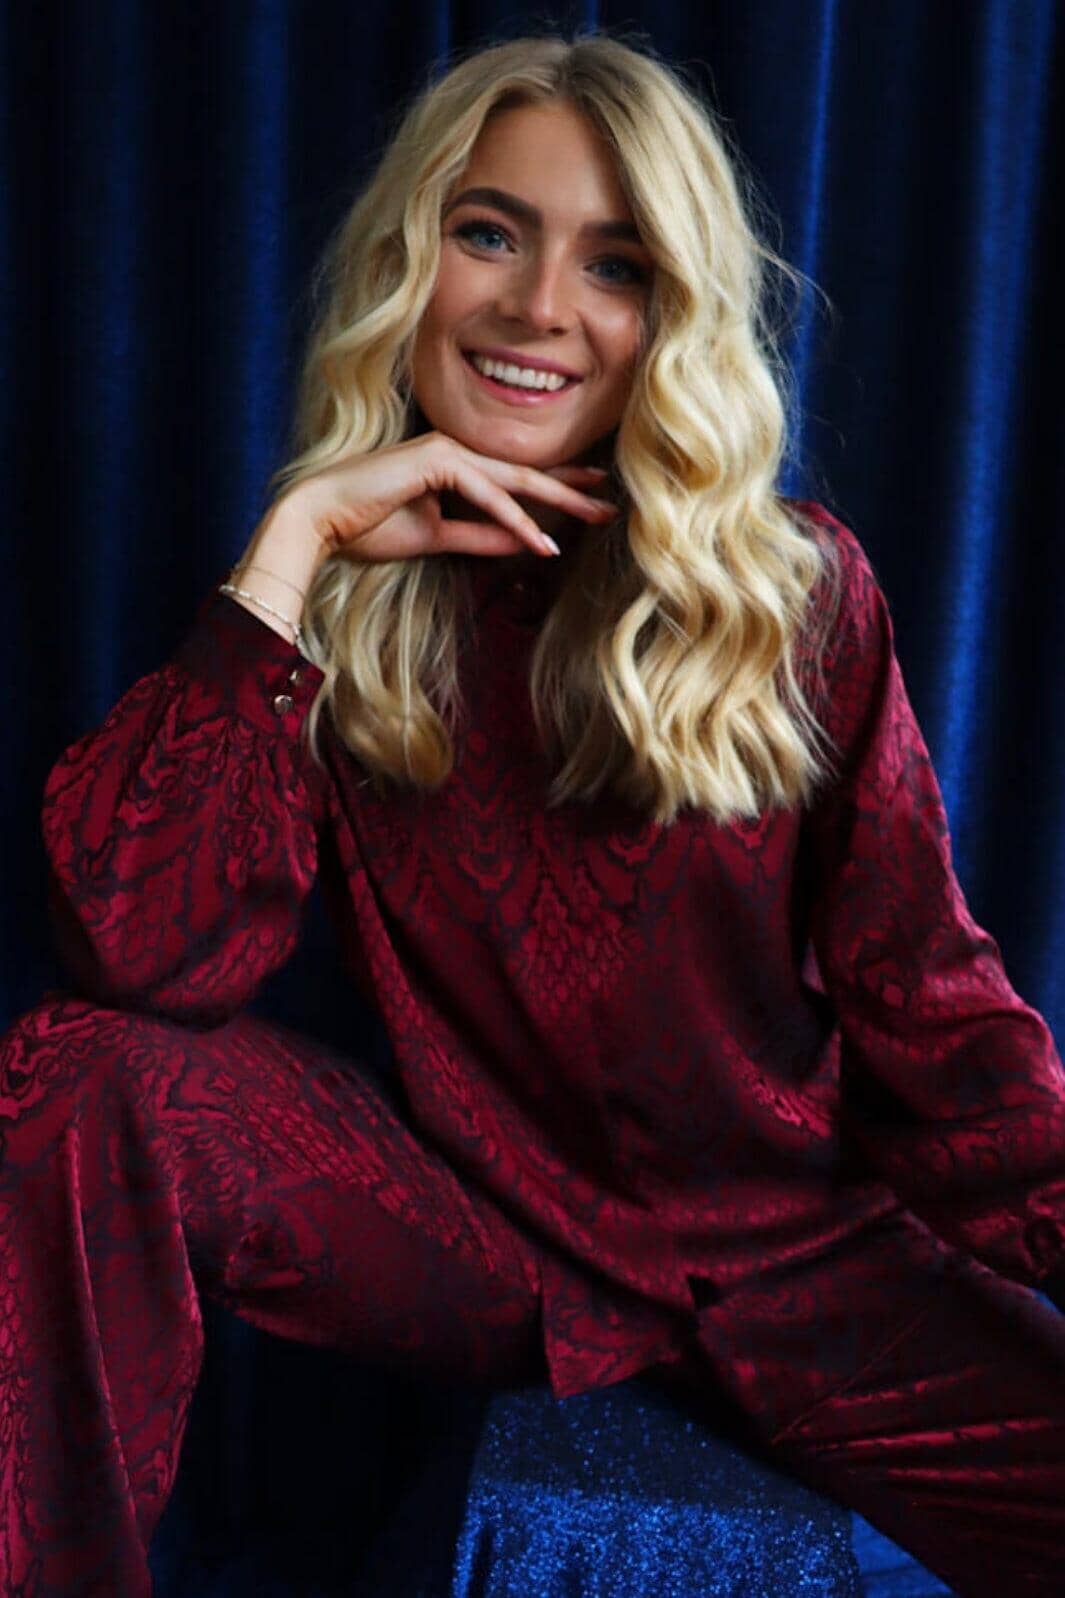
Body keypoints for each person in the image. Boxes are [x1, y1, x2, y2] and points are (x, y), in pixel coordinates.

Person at [2, 28, 1064, 1598]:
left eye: (614, 264)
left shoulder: (796, 598)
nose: (537, 306)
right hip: (480, 1241)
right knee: (80, 1073)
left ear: (670, 316)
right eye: (489, 232)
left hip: (805, 1272)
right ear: (409, 257)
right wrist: (294, 551)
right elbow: (138, 953)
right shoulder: (336, 607)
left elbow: (939, 1021)